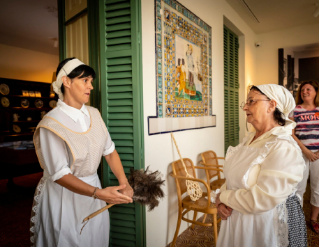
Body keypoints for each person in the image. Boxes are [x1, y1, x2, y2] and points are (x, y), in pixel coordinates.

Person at [30, 58, 134, 247]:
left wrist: (124, 182)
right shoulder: (51, 124)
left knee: (95, 237)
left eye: (91, 81)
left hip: (95, 189)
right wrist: (98, 193)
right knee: (68, 238)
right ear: (66, 82)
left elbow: (109, 152)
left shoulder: (94, 113)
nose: (91, 86)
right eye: (85, 80)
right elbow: (60, 175)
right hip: (64, 196)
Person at [215, 84, 307, 247]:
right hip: (237, 221)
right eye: (246, 101)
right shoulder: (249, 140)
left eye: (251, 101)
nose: (245, 107)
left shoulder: (283, 146)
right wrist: (221, 200)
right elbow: (235, 177)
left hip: (263, 228)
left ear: (272, 105)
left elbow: (261, 199)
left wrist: (222, 197)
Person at [289, 80, 319, 233]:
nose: (304, 92)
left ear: (315, 92)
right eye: (302, 90)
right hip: (300, 154)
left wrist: (317, 153)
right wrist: (306, 151)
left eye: (308, 89)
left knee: (317, 189)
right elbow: (291, 133)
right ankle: (298, 219)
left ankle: (313, 219)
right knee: (299, 188)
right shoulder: (295, 110)